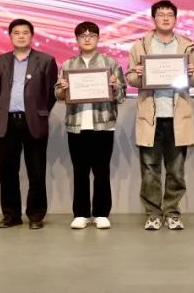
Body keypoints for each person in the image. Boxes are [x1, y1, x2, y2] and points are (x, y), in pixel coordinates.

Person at [125, 0, 194, 231]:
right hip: (151, 117)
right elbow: (130, 78)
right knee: (150, 170)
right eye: (161, 14)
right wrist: (139, 74)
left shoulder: (187, 46)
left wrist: (191, 74)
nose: (166, 18)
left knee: (176, 171)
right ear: (153, 18)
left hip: (178, 117)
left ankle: (172, 213)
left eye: (170, 14)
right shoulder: (140, 46)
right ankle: (153, 214)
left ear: (175, 19)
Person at [54, 21, 126, 230]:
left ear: (98, 38)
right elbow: (58, 94)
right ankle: (81, 213)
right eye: (82, 36)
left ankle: (101, 213)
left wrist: (114, 86)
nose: (87, 39)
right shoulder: (68, 65)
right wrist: (63, 89)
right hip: (76, 125)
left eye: (91, 35)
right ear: (77, 40)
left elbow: (121, 95)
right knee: (80, 172)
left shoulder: (110, 63)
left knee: (102, 171)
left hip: (103, 125)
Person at [0, 18, 58, 229]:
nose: (21, 36)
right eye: (16, 33)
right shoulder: (0, 61)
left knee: (36, 172)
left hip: (34, 122)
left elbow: (50, 94)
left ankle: (36, 215)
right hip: (8, 122)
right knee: (7, 172)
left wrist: (38, 112)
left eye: (25, 32)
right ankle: (11, 215)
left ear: (32, 35)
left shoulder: (46, 60)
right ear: (10, 36)